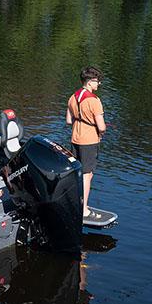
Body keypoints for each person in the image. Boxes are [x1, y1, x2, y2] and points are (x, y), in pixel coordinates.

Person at [65, 66, 107, 219]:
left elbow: (69, 121)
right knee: (87, 175)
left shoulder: (72, 97)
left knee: (77, 173)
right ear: (89, 82)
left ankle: (76, 203)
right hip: (89, 141)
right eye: (97, 81)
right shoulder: (94, 101)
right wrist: (101, 131)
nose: (99, 84)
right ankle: (83, 210)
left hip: (75, 139)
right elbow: (101, 126)